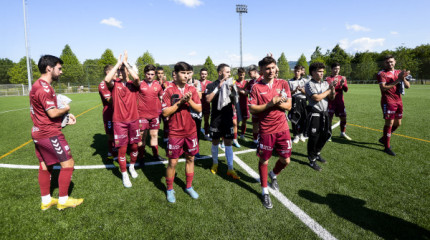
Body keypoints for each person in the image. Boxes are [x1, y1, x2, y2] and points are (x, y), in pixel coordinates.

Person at [30, 55, 83, 210]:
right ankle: (63, 200)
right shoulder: (44, 88)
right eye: (59, 68)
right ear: (49, 68)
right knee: (68, 164)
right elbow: (52, 114)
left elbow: (45, 113)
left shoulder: (38, 85)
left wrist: (65, 117)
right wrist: (66, 109)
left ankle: (46, 200)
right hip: (49, 133)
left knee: (45, 165)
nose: (61, 72)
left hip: (39, 132)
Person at [249, 56, 292, 209]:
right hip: (266, 130)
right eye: (267, 68)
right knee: (264, 160)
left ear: (276, 68)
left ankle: (273, 175)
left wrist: (279, 103)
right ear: (261, 70)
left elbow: (289, 105)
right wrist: (270, 104)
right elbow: (252, 108)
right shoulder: (256, 87)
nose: (270, 71)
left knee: (286, 160)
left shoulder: (283, 83)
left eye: (273, 67)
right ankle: (264, 191)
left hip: (283, 129)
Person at [161, 61, 202, 203]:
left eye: (188, 73)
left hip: (191, 131)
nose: (186, 76)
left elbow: (199, 108)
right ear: (176, 74)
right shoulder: (169, 90)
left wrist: (189, 101)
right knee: (173, 162)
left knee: (191, 158)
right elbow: (165, 112)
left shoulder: (192, 89)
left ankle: (189, 186)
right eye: (183, 73)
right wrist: (180, 102)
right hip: (175, 132)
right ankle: (170, 189)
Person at [105, 51, 141, 187]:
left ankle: (131, 167)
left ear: (127, 70)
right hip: (119, 122)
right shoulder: (114, 84)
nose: (120, 72)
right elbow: (106, 80)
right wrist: (118, 64)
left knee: (134, 146)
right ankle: (125, 174)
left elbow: (137, 78)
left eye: (122, 70)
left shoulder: (133, 84)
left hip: (134, 121)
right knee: (122, 149)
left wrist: (126, 63)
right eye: (119, 71)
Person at [205, 63, 240, 180]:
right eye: (227, 72)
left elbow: (236, 101)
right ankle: (215, 163)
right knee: (215, 142)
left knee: (228, 143)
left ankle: (230, 168)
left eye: (230, 72)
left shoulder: (231, 84)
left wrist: (233, 91)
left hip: (228, 118)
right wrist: (218, 87)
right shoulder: (211, 85)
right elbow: (208, 99)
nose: (229, 74)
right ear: (220, 73)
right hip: (216, 119)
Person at [305, 62, 336, 171]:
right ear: (313, 72)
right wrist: (328, 90)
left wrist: (332, 89)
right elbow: (316, 98)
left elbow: (332, 98)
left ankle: (317, 153)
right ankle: (311, 159)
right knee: (314, 137)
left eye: (323, 71)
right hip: (315, 113)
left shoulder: (326, 84)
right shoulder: (309, 84)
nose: (322, 73)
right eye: (319, 71)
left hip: (325, 112)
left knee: (326, 134)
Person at [377, 55, 410, 156]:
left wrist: (402, 78)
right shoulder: (382, 73)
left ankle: (383, 139)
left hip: (398, 101)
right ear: (384, 63)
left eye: (391, 62)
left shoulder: (398, 72)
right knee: (389, 123)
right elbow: (383, 88)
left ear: (395, 62)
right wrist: (397, 80)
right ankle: (387, 147)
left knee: (398, 124)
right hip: (388, 101)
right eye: (387, 62)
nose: (389, 64)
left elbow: (408, 86)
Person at [137, 64, 165, 163]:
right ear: (144, 74)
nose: (150, 76)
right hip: (142, 115)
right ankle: (140, 157)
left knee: (154, 135)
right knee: (142, 136)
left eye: (152, 74)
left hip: (154, 115)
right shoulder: (139, 84)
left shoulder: (158, 85)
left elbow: (162, 98)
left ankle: (155, 155)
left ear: (154, 74)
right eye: (148, 74)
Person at [326, 62, 351, 140]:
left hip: (340, 101)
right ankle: (328, 135)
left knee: (343, 117)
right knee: (329, 118)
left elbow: (346, 90)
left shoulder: (342, 78)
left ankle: (342, 133)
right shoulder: (327, 79)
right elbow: (326, 90)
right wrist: (331, 86)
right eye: (335, 69)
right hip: (330, 102)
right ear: (332, 69)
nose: (337, 70)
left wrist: (343, 84)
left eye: (338, 69)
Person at [98, 65, 116, 160]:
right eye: (115, 71)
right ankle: (111, 152)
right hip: (109, 112)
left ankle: (117, 149)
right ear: (108, 73)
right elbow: (110, 100)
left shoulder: (116, 82)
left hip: (118, 111)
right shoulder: (103, 84)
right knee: (110, 134)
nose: (116, 73)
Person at [288, 65, 309, 143]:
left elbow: (308, 94)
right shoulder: (290, 81)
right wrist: (295, 90)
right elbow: (288, 93)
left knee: (303, 118)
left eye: (298, 71)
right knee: (294, 118)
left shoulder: (305, 81)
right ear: (294, 71)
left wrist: (302, 90)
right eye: (295, 71)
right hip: (294, 100)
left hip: (303, 101)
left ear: (301, 72)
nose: (297, 73)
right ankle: (296, 135)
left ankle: (302, 134)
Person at [246, 65, 261, 148]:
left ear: (255, 71)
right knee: (255, 124)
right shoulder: (251, 82)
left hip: (262, 106)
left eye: (250, 72)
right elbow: (246, 92)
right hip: (254, 107)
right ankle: (255, 141)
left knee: (263, 125)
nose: (249, 74)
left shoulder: (262, 80)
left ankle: (263, 141)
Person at [235, 67, 249, 142]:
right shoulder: (235, 83)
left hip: (245, 104)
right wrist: (241, 90)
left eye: (243, 75)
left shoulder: (247, 83)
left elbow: (246, 93)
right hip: (237, 104)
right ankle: (236, 134)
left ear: (245, 74)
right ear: (238, 74)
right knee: (236, 121)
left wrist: (239, 90)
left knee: (244, 121)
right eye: (240, 75)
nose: (241, 76)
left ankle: (242, 134)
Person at [199, 67, 212, 141]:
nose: (203, 75)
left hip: (207, 105)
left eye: (205, 74)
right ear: (200, 74)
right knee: (197, 121)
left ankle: (206, 134)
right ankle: (196, 135)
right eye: (202, 74)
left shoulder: (210, 83)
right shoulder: (197, 82)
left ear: (207, 75)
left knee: (206, 121)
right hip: (198, 105)